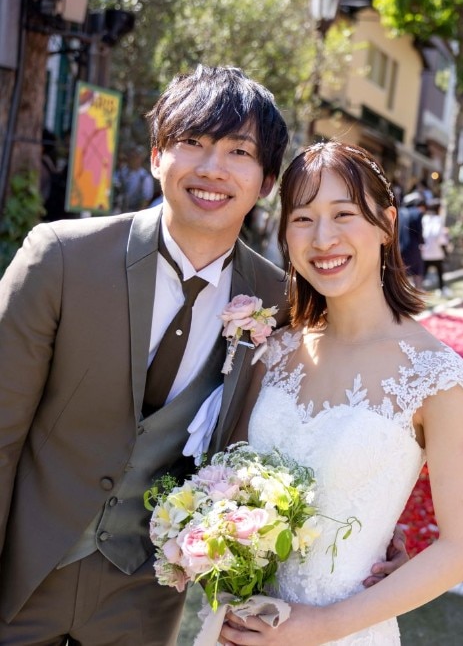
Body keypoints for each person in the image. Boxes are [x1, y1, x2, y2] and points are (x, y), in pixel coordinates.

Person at [0, 66, 404, 645]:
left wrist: (373, 526)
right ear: (158, 154)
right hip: (21, 580)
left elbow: (306, 425)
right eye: (193, 142)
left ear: (266, 181)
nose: (212, 169)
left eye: (239, 151)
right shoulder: (61, 259)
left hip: (143, 602)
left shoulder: (281, 303)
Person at [220, 142, 463, 646]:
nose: (323, 238)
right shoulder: (273, 349)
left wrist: (321, 627)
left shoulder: (436, 376)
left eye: (344, 214)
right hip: (242, 630)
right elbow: (226, 478)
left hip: (345, 633)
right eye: (303, 219)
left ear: (386, 224)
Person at [421, 200, 451, 296]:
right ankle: (441, 289)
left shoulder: (424, 218)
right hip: (436, 251)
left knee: (423, 273)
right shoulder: (438, 220)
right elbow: (439, 236)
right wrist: (446, 244)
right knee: (439, 272)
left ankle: (419, 289)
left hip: (425, 251)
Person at [115, 147, 156, 212]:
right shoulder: (121, 172)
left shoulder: (145, 177)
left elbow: (146, 199)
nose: (133, 159)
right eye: (132, 156)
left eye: (136, 157)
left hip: (133, 211)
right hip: (118, 208)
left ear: (141, 159)